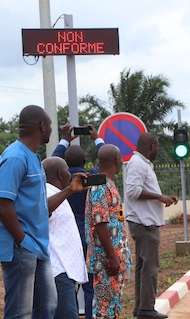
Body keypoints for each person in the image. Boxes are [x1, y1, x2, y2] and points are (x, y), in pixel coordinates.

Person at [0, 105, 87, 318]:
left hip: (39, 247)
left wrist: (69, 189)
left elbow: (41, 208)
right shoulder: (15, 157)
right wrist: (22, 240)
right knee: (20, 312)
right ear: (42, 126)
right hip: (22, 246)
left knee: (48, 307)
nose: (50, 130)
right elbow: (3, 203)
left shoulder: (34, 158)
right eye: (49, 125)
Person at [52, 123, 104, 319]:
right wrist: (97, 138)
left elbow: (52, 161)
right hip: (89, 234)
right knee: (90, 285)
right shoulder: (91, 177)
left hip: (66, 238)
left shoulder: (60, 181)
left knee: (69, 284)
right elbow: (106, 158)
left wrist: (65, 139)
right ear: (84, 160)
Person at [125, 132, 178, 319]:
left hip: (144, 221)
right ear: (152, 147)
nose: (157, 150)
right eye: (157, 147)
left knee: (143, 266)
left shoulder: (140, 163)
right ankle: (146, 309)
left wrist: (162, 197)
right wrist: (158, 197)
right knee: (150, 267)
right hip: (144, 223)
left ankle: (141, 308)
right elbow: (133, 191)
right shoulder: (137, 164)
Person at [85, 144, 131, 319]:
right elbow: (100, 223)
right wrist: (112, 256)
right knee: (103, 308)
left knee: (112, 305)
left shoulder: (108, 184)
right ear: (117, 161)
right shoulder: (100, 186)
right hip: (105, 260)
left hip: (114, 258)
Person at [43, 156, 88, 319]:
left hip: (63, 271)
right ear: (61, 174)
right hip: (57, 271)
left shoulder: (56, 194)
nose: (71, 174)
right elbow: (43, 209)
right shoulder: (47, 192)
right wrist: (69, 190)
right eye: (68, 171)